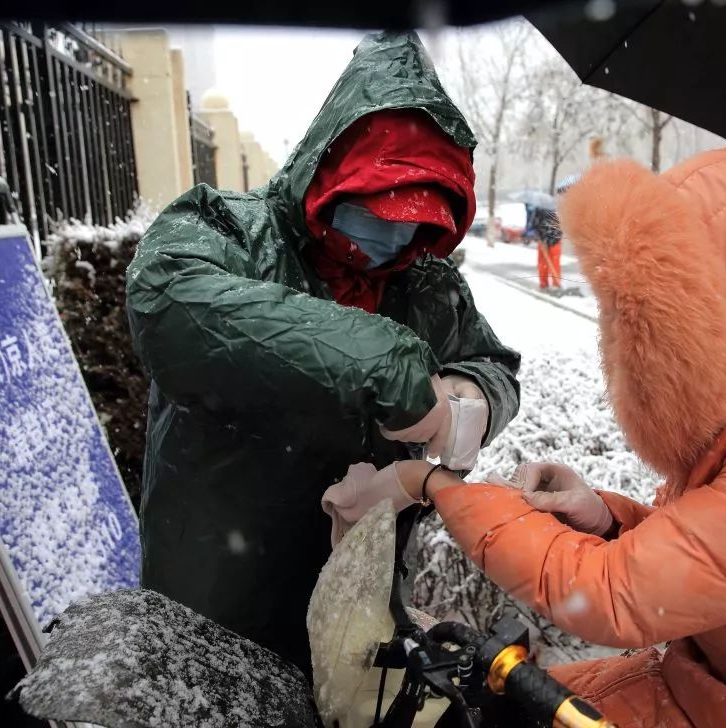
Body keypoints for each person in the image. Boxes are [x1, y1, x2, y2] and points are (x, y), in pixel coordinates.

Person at [329, 149, 726, 726]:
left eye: (655, 312)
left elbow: (613, 595)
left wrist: (431, 482)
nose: (635, 342)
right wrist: (603, 519)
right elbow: (713, 554)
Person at [125, 31, 520, 675]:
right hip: (216, 597)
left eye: (414, 219)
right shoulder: (228, 230)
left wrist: (467, 403)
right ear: (329, 174)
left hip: (357, 595)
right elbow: (169, 306)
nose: (392, 237)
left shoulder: (427, 283)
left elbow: (492, 366)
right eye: (376, 209)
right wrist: (383, 366)